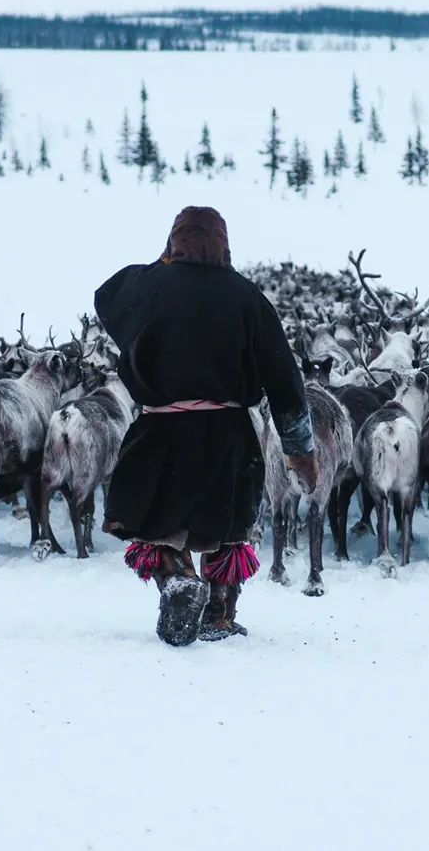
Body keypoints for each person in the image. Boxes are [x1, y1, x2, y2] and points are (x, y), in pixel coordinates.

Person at [95, 206, 315, 646]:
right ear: (224, 245)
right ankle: (218, 614)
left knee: (156, 519)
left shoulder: (146, 287)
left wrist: (164, 264)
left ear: (172, 243)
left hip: (161, 432)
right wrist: (299, 448)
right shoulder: (247, 298)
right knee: (229, 524)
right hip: (229, 434)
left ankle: (177, 578)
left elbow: (107, 296)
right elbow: (284, 379)